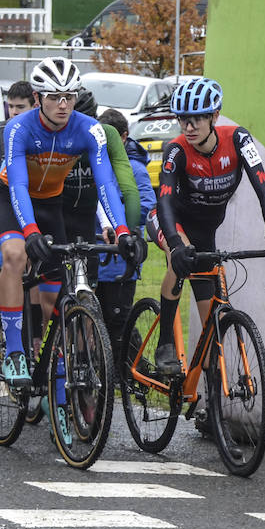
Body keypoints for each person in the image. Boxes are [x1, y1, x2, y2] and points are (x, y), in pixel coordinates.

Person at [0, 58, 142, 393]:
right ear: (37, 98)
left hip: (50, 203)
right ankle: (14, 351)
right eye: (54, 97)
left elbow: (106, 183)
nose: (63, 104)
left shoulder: (90, 130)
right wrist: (30, 231)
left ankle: (56, 379)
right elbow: (18, 185)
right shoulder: (18, 128)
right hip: (11, 198)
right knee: (15, 255)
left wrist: (121, 230)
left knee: (57, 296)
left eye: (69, 97)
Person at [151, 76, 265, 374]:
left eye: (197, 119)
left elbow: (263, 187)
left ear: (214, 116)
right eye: (182, 119)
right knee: (179, 258)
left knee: (212, 331)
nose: (188, 127)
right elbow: (165, 201)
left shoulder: (239, 140)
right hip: (170, 223)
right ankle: (165, 344)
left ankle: (210, 391)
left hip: (205, 234)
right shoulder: (176, 150)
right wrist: (175, 244)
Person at [95, 108, 155, 355]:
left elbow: (147, 205)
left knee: (119, 321)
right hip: (97, 255)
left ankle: (131, 368)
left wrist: (118, 221)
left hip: (120, 259)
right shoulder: (96, 163)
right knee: (99, 320)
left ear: (124, 137)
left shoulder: (135, 169)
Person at [0, 79, 36, 187]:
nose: (14, 112)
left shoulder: (43, 132)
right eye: (10, 106)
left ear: (34, 106)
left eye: (20, 107)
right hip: (2, 193)